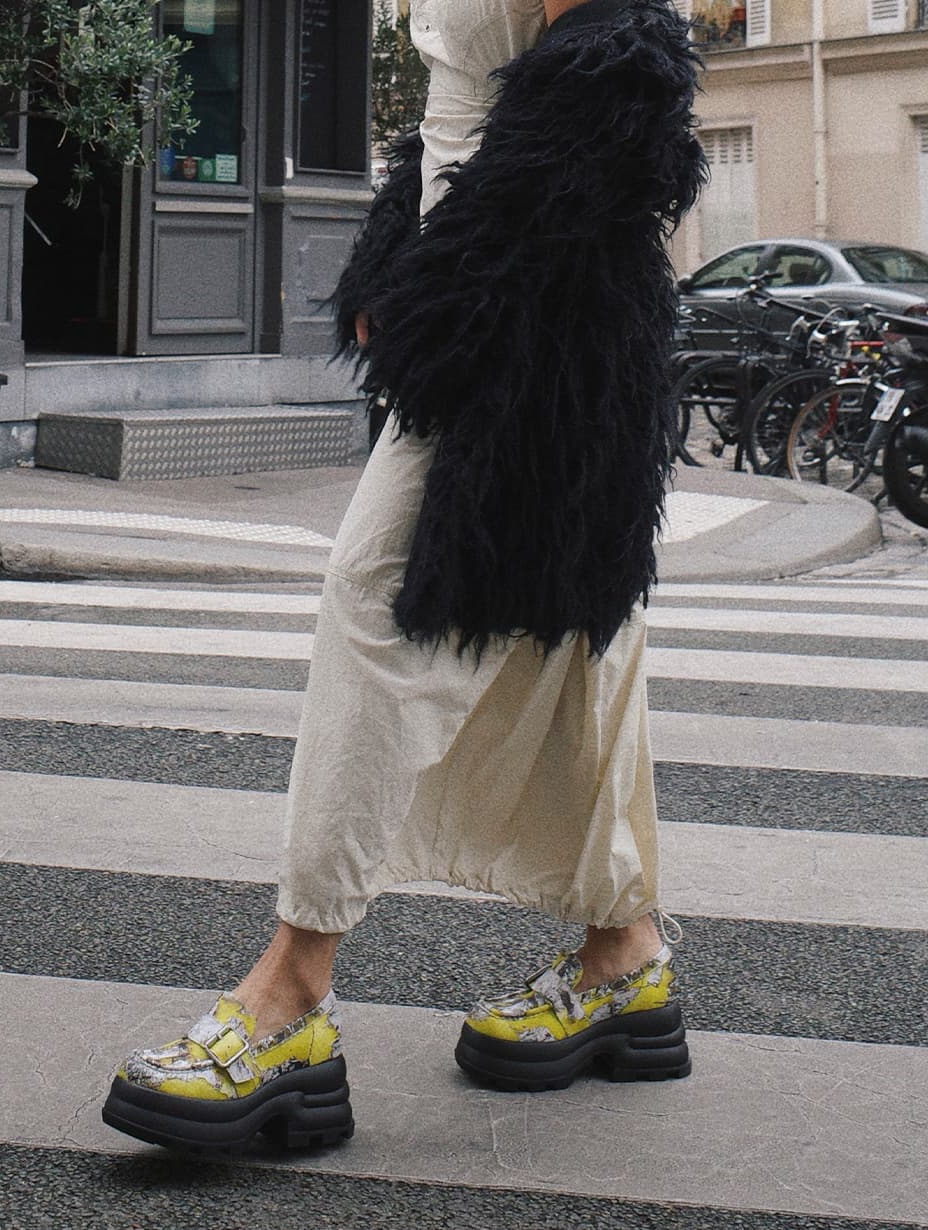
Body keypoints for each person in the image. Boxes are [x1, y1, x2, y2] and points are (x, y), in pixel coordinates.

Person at [102, 0, 705, 1154]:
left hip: (525, 350)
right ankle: (625, 955)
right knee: (580, 641)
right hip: (514, 334)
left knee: (377, 605)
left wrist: (444, 316)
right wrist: (400, 260)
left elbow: (599, 96)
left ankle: (291, 995)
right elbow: (450, 128)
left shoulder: (595, 71)